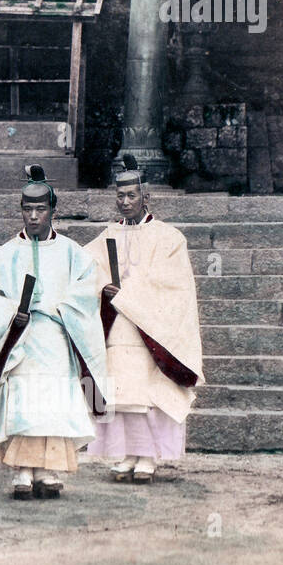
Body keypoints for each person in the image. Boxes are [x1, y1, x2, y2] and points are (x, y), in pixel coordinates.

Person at [0, 165, 108, 499]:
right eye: (28, 209)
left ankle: (48, 470)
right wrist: (12, 315)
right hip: (22, 341)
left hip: (57, 337)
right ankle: (22, 469)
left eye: (40, 209)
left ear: (53, 211)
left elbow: (87, 293)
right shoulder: (2, 257)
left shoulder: (74, 254)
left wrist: (60, 308)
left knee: (54, 403)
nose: (33, 216)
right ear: (21, 210)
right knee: (23, 402)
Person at [84, 156, 204, 483]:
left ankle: (148, 457)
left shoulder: (168, 238)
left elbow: (172, 286)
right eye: (120, 196)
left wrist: (129, 295)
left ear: (145, 197)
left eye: (131, 196)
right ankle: (127, 454)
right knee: (123, 396)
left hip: (151, 329)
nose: (125, 202)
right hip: (117, 326)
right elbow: (86, 270)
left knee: (148, 396)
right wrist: (103, 289)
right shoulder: (107, 236)